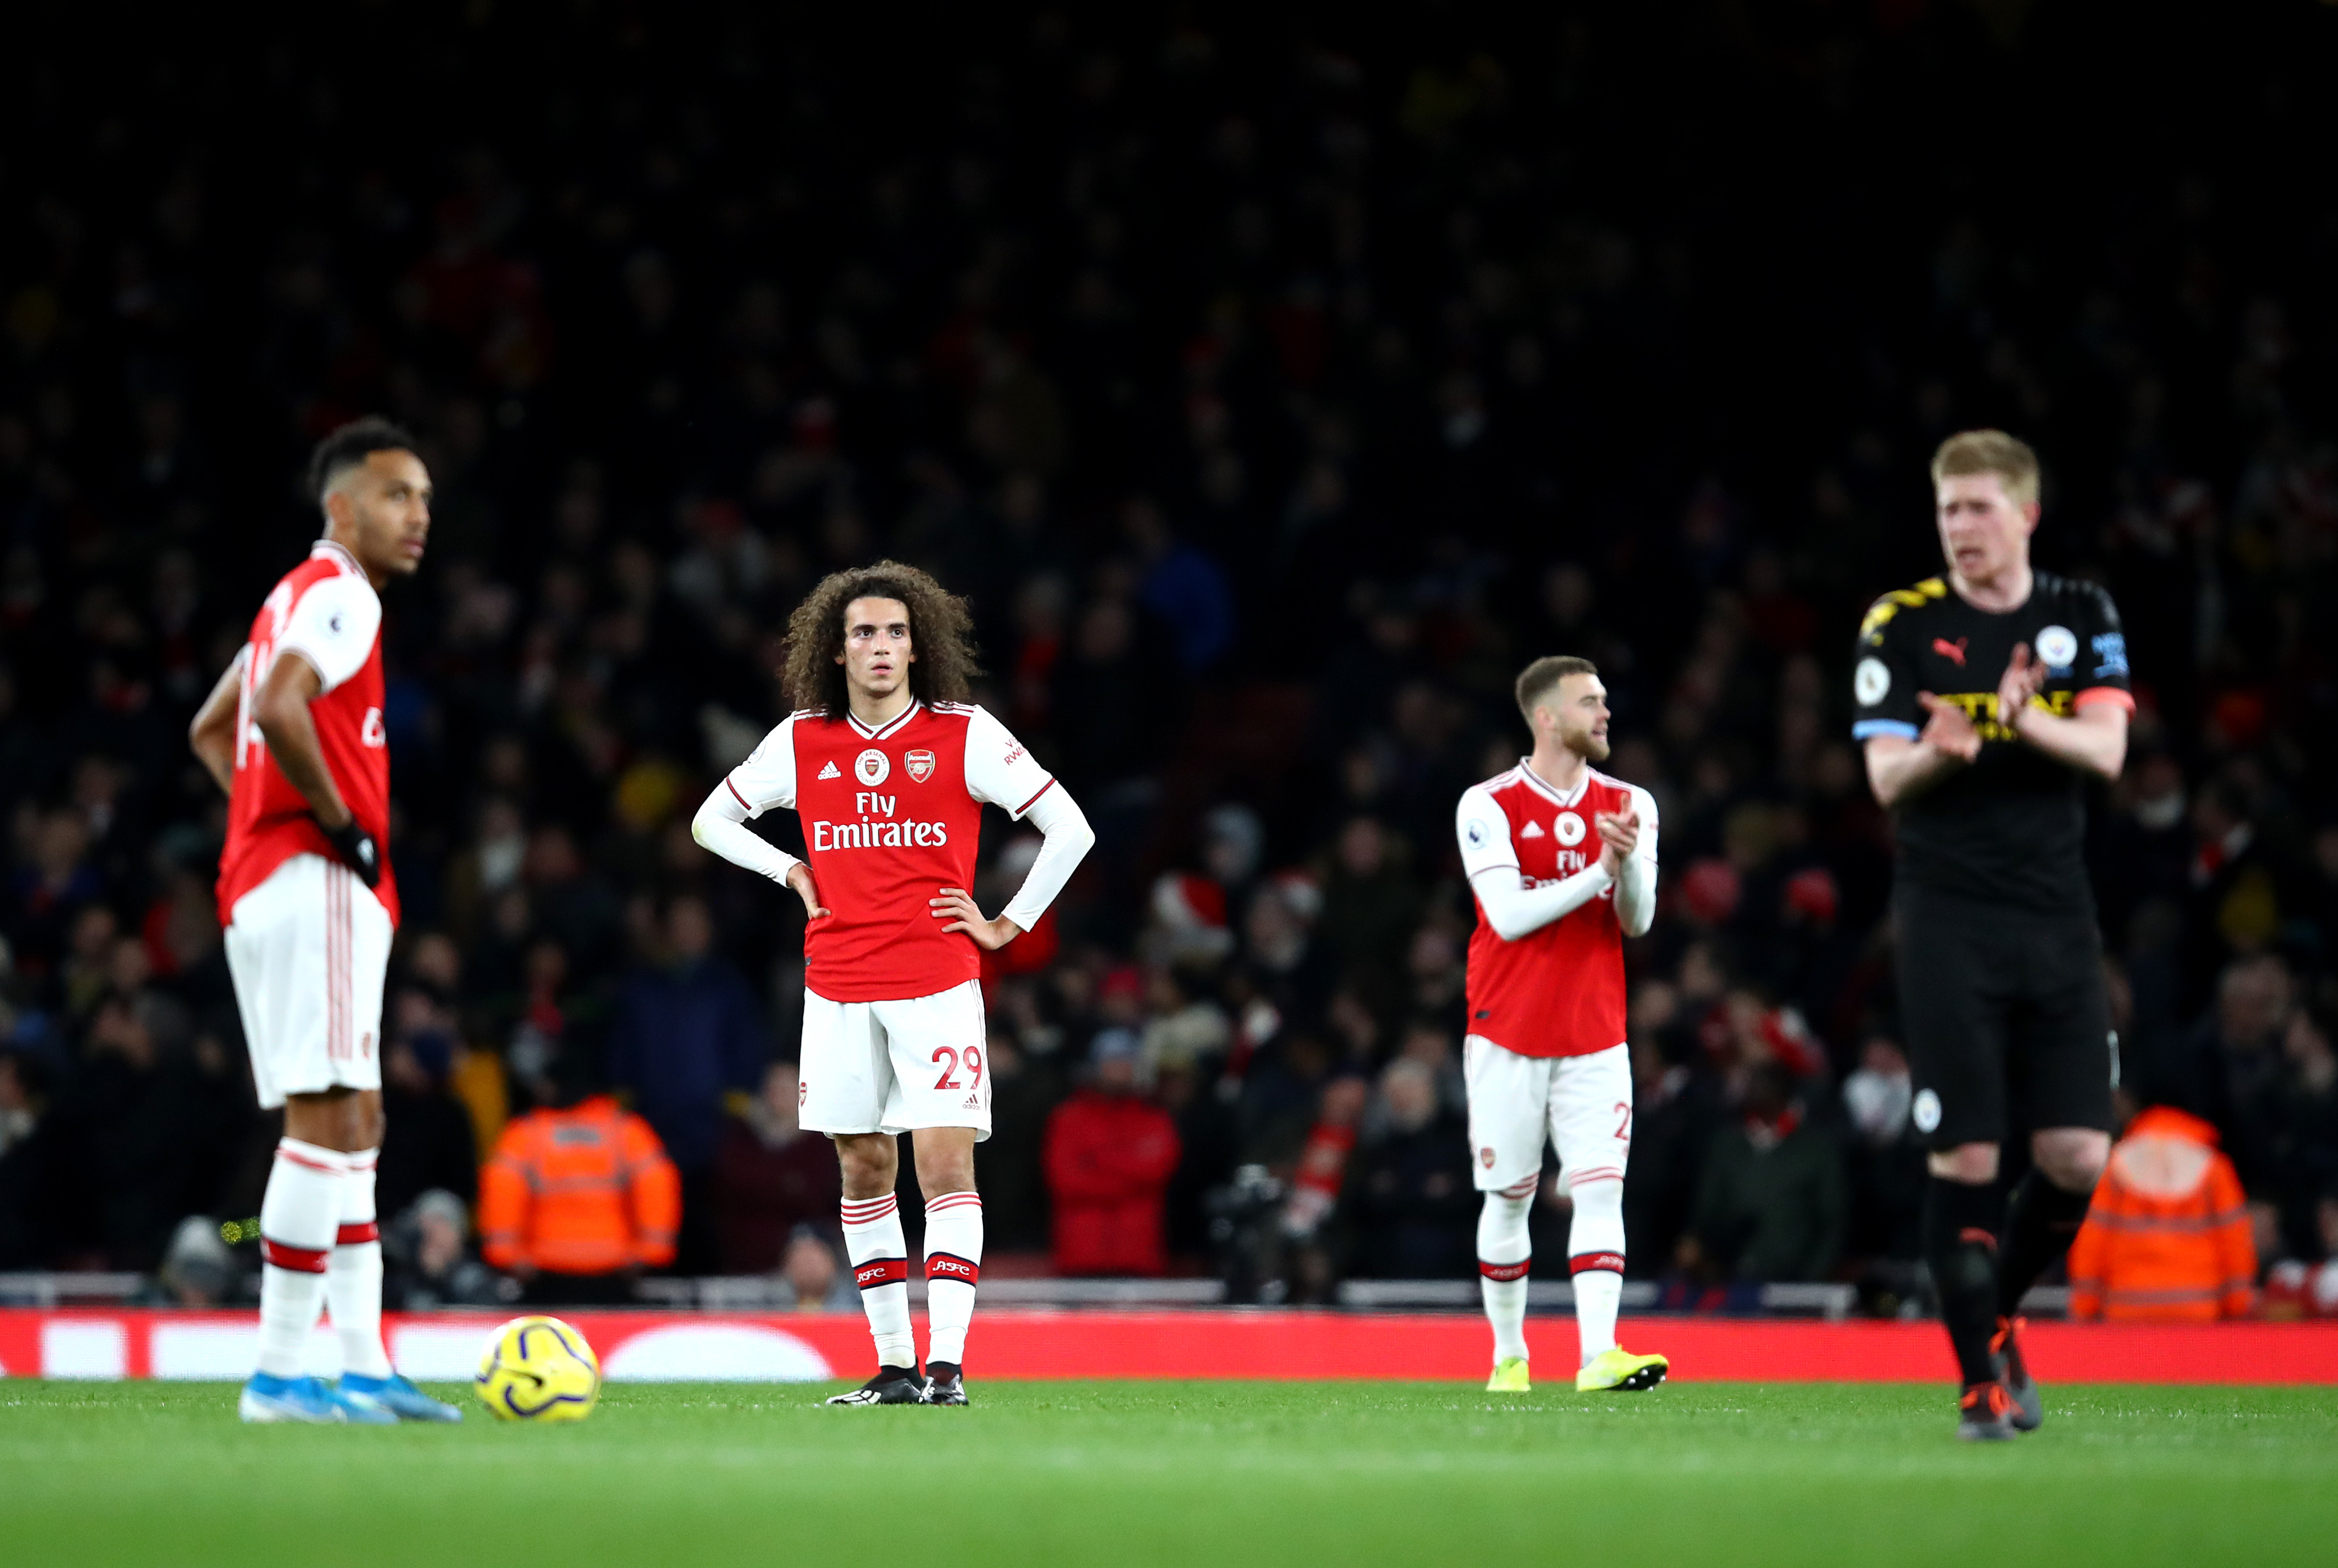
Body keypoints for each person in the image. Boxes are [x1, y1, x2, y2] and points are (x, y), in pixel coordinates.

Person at [691, 561, 1094, 1406]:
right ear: (837, 653)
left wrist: (1005, 925)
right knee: (863, 1167)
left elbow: (1071, 828)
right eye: (864, 633)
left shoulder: (963, 730)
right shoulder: (804, 738)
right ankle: (892, 1366)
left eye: (896, 632)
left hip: (938, 980)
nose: (881, 646)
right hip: (836, 982)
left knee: (944, 1165)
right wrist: (791, 869)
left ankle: (946, 1364)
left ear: (919, 648)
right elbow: (711, 819)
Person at [1852, 429, 2133, 1440]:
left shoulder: (2079, 612)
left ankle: (1996, 1303)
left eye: (1977, 508)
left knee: (2072, 1155)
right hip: (1946, 918)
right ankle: (1978, 1382)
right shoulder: (1903, 622)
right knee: (1966, 1156)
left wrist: (2021, 722)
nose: (1959, 528)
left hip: (2055, 915)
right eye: (1946, 510)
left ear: (2026, 513)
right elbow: (1886, 778)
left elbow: (2105, 747)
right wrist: (1941, 752)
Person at [186, 418, 458, 1424]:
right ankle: (279, 1374)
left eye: (426, 498)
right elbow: (280, 710)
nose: (419, 515)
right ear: (341, 506)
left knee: (356, 1117)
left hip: (269, 880)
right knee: (323, 1116)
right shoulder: (341, 591)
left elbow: (215, 727)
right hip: (316, 882)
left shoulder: (288, 599)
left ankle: (360, 1365)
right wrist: (337, 830)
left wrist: (262, 820)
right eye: (397, 495)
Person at [1454, 655, 1667, 1394]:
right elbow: (1509, 916)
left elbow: (1636, 920)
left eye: (1605, 700)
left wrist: (1629, 863)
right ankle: (1509, 1356)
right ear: (1547, 716)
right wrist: (1599, 871)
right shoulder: (1488, 803)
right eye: (1590, 701)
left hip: (1596, 1031)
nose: (1605, 713)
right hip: (1506, 1029)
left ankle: (1599, 1353)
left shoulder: (1631, 800)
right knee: (1509, 1196)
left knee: (1602, 1189)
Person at [477, 1049, 680, 1302]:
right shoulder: (626, 1131)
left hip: (544, 1276)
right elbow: (657, 1187)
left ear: (554, 1085)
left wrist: (508, 1256)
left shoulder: (525, 1135)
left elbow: (502, 1193)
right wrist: (649, 1253)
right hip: (615, 1274)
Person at [2065, 1106, 2255, 1321]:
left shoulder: (2116, 1168)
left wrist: (2085, 1308)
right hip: (2198, 1310)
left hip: (2126, 1309)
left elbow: (2092, 1241)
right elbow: (2235, 1243)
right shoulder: (2215, 1170)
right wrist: (2237, 1307)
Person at [1042, 1030, 1182, 1276]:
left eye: (1126, 1062)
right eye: (1112, 1062)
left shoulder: (1154, 1119)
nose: (1119, 1070)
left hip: (1139, 1256)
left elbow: (1159, 1169)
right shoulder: (1068, 1119)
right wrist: (1130, 1176)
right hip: (1081, 1257)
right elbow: (1064, 1181)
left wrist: (1099, 1161)